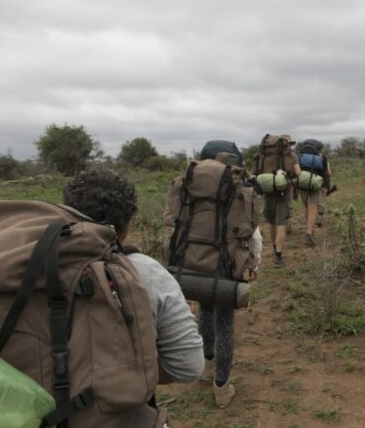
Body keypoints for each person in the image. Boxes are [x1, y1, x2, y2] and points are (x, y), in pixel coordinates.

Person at [63, 168, 204, 384]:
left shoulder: (32, 264)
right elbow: (188, 367)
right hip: (121, 409)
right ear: (129, 224)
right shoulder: (149, 273)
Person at [193, 140, 263, 408]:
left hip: (197, 262)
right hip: (229, 266)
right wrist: (254, 265)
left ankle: (206, 368)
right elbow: (254, 235)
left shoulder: (192, 190)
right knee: (225, 323)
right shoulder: (243, 192)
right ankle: (222, 387)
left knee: (204, 313)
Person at [254, 134, 301, 267]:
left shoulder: (262, 155)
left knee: (272, 222)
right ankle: (278, 257)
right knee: (281, 223)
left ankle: (274, 248)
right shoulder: (291, 156)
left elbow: (256, 172)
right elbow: (298, 174)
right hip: (283, 192)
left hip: (267, 192)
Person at [297, 138, 332, 247]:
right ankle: (309, 233)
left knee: (307, 208)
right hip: (315, 186)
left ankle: (309, 230)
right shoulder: (322, 158)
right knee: (313, 210)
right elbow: (328, 173)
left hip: (302, 186)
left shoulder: (299, 157)